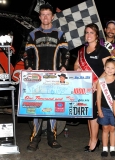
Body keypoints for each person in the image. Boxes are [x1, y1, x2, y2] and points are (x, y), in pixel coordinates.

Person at [23, 4, 70, 152]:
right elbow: (26, 55)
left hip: (55, 78)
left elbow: (66, 53)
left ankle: (52, 138)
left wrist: (64, 66)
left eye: (48, 14)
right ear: (39, 17)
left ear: (52, 16)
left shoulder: (59, 34)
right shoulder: (33, 34)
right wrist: (28, 66)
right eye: (42, 14)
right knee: (37, 108)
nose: (45, 17)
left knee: (53, 108)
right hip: (37, 78)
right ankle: (34, 139)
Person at [74, 23, 110, 152]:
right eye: (86, 32)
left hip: (97, 87)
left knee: (94, 114)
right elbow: (76, 65)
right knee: (89, 114)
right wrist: (77, 69)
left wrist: (97, 82)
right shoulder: (81, 50)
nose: (88, 35)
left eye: (91, 33)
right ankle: (92, 138)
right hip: (84, 87)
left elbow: (108, 69)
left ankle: (94, 140)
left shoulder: (103, 50)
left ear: (96, 36)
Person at [97, 58, 115, 157]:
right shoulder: (101, 81)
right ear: (104, 68)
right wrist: (99, 109)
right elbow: (98, 96)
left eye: (112, 68)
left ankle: (113, 148)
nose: (110, 70)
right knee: (105, 128)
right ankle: (105, 148)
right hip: (104, 108)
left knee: (113, 129)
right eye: (108, 67)